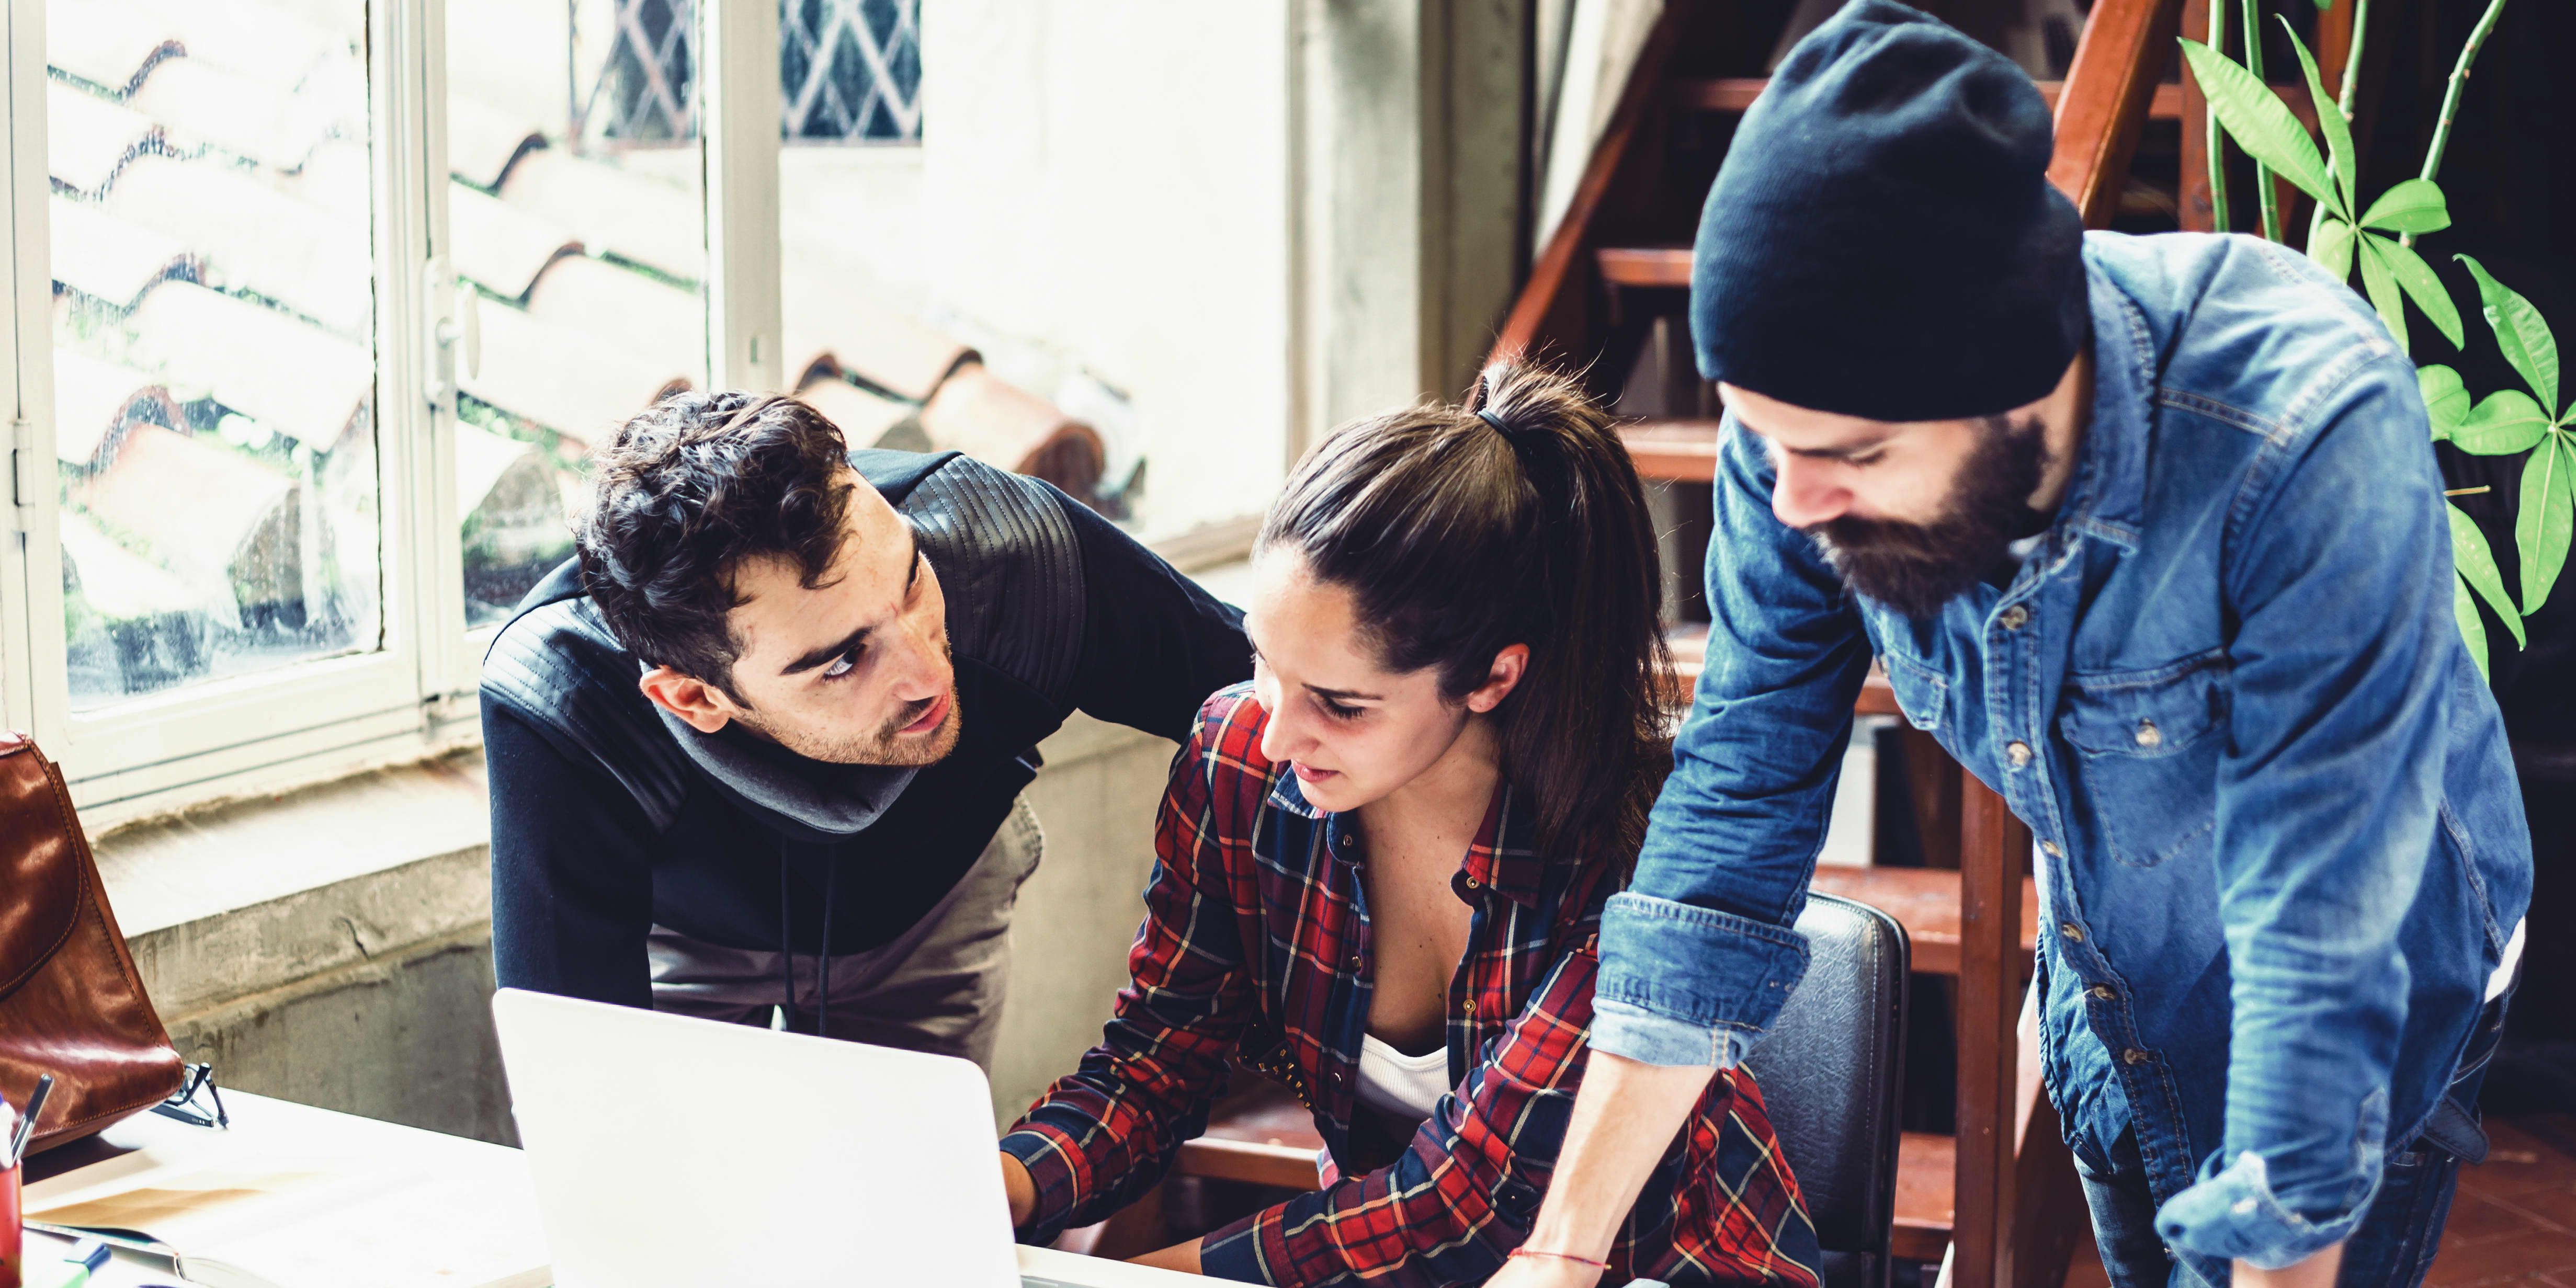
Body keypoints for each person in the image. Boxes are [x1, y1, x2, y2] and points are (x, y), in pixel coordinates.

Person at [1490, 5, 2533, 1287]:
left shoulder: (2302, 428)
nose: (1793, 501)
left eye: (1854, 459)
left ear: (2015, 389)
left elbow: (2318, 946)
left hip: (2366, 975)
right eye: (1766, 442)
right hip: (2110, 961)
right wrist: (1562, 1252)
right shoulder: (1803, 436)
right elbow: (1737, 794)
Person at [995, 364, 1823, 1286]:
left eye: (1340, 704)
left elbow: (1462, 1202)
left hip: (1659, 1267)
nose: (1277, 733)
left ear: (1491, 679)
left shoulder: (1627, 847)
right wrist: (992, 1188)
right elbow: (1155, 1061)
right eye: (1265, 663)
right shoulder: (1235, 757)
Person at [481, 391, 1249, 1073]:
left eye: (913, 582)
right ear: (691, 697)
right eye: (843, 660)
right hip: (694, 938)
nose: (926, 673)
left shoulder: (1015, 554)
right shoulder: (562, 696)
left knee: (905, 1195)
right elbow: (573, 1068)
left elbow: (1286, 705)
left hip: (937, 900)